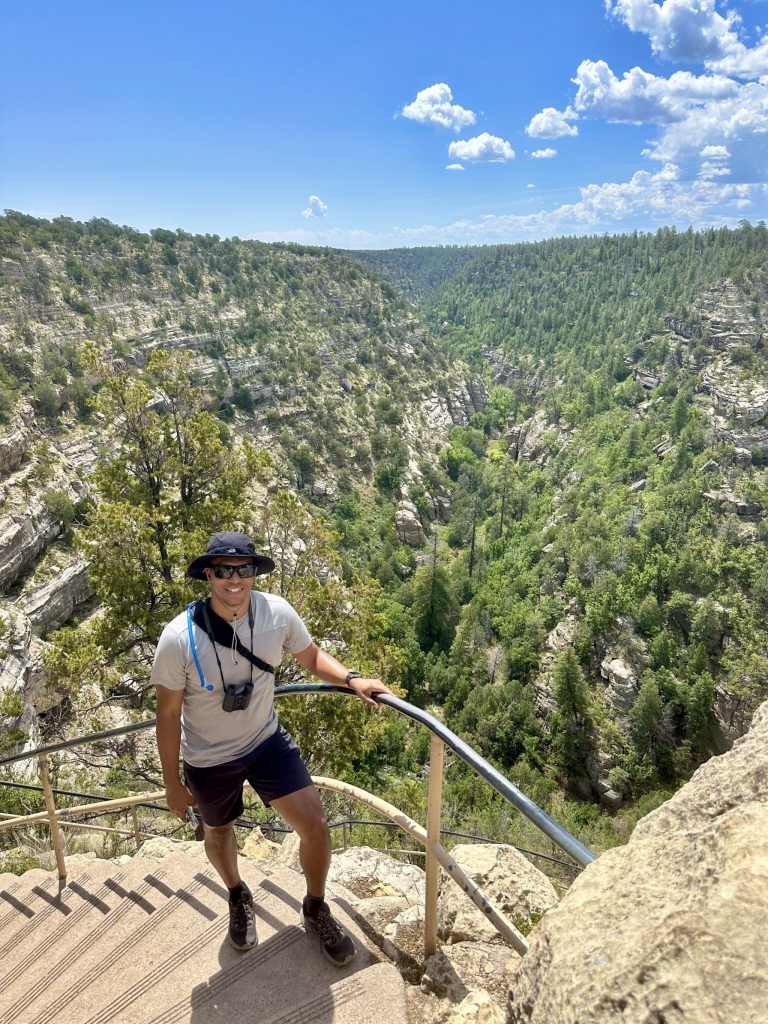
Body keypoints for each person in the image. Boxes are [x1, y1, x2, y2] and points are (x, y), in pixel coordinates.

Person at [152, 531, 394, 963]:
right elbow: (168, 715)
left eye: (242, 570)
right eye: (224, 570)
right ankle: (236, 894)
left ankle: (316, 906)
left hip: (264, 740)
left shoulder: (275, 614)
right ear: (208, 575)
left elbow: (311, 655)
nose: (234, 580)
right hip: (208, 757)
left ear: (253, 574)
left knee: (315, 823)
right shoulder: (178, 638)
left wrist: (353, 679)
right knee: (219, 831)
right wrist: (173, 784)